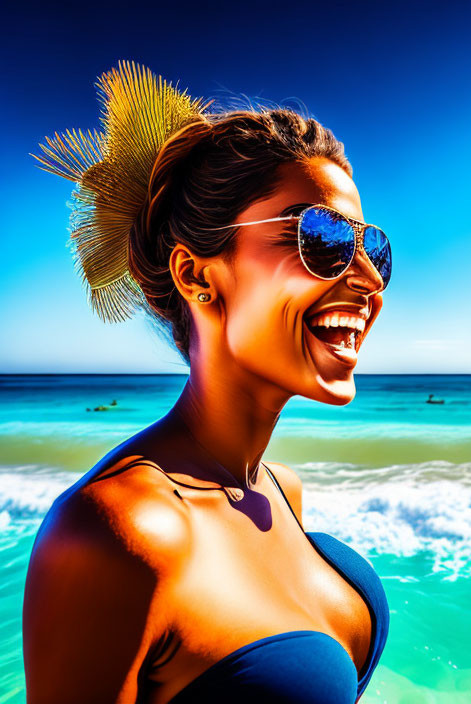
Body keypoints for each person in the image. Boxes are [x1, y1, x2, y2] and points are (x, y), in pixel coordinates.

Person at [24, 61, 392, 704]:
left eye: (372, 246)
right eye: (323, 238)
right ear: (198, 277)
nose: (369, 278)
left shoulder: (281, 490)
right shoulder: (118, 534)